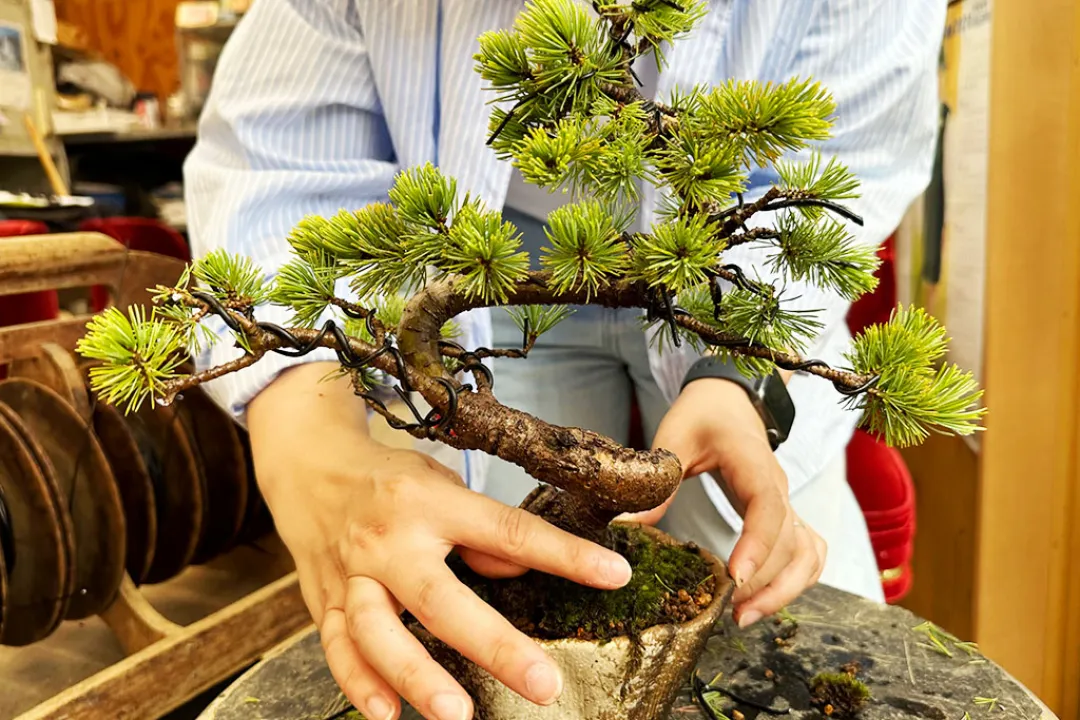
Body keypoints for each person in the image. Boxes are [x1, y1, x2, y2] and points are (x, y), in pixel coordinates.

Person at [184, 2, 944, 719]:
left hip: (716, 270)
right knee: (500, 579)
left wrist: (737, 380)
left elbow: (833, 180)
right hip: (490, 267)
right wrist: (313, 454)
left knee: (795, 601)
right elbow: (276, 174)